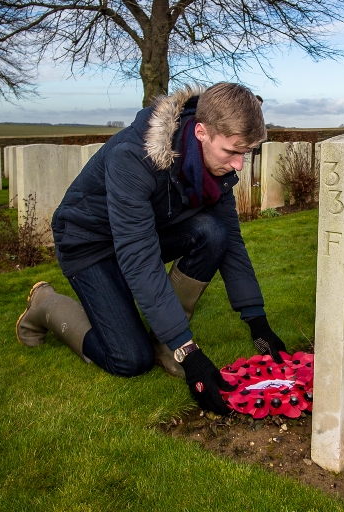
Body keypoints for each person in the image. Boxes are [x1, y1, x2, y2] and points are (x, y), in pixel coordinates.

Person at [15, 83, 287, 415]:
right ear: (201, 132)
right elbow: (139, 257)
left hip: (142, 234)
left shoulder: (215, 170)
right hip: (90, 244)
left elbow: (231, 241)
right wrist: (190, 352)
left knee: (215, 232)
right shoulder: (134, 156)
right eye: (232, 151)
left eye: (245, 152)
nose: (239, 165)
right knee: (129, 359)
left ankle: (166, 345)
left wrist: (256, 320)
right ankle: (47, 305)